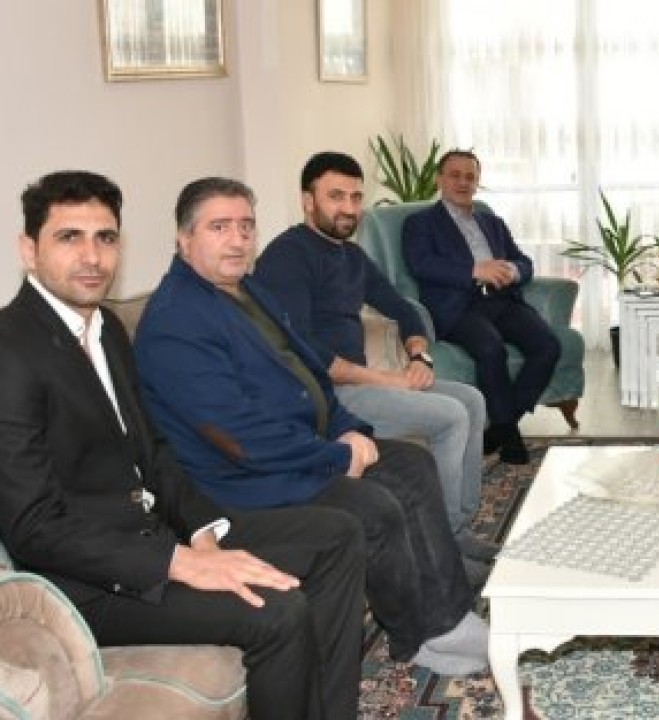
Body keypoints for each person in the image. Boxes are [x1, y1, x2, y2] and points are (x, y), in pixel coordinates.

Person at [0, 171, 367, 719]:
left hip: (156, 532)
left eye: (105, 238)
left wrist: (202, 531)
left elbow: (152, 451)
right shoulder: (10, 350)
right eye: (69, 237)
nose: (92, 257)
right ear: (29, 249)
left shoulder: (107, 329)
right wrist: (175, 562)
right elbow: (33, 528)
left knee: (336, 535)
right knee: (277, 611)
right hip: (88, 581)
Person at [134, 177, 489, 677]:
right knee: (374, 507)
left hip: (301, 448)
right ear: (184, 238)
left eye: (245, 227)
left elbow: (311, 372)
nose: (237, 240)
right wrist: (338, 457)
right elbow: (238, 438)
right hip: (245, 482)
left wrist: (349, 428)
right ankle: (414, 637)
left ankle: (445, 618)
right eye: (219, 227)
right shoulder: (177, 320)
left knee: (411, 464)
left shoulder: (247, 290)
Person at [255, 151, 495, 563]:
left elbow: (402, 308)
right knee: (451, 416)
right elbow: (304, 349)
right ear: (308, 201)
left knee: (472, 399)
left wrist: (419, 358)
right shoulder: (288, 256)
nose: (349, 208)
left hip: (360, 382)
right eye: (336, 196)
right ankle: (446, 545)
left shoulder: (350, 256)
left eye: (355, 197)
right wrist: (387, 380)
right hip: (324, 396)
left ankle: (460, 526)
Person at [401, 149, 561, 465]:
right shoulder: (420, 223)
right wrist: (474, 270)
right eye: (455, 175)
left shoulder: (492, 222)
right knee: (491, 349)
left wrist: (512, 271)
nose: (463, 182)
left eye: (470, 177)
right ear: (439, 180)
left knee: (548, 346)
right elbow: (422, 264)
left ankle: (501, 426)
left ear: (477, 182)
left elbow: (524, 261)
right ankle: (510, 436)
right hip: (457, 306)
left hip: (501, 299)